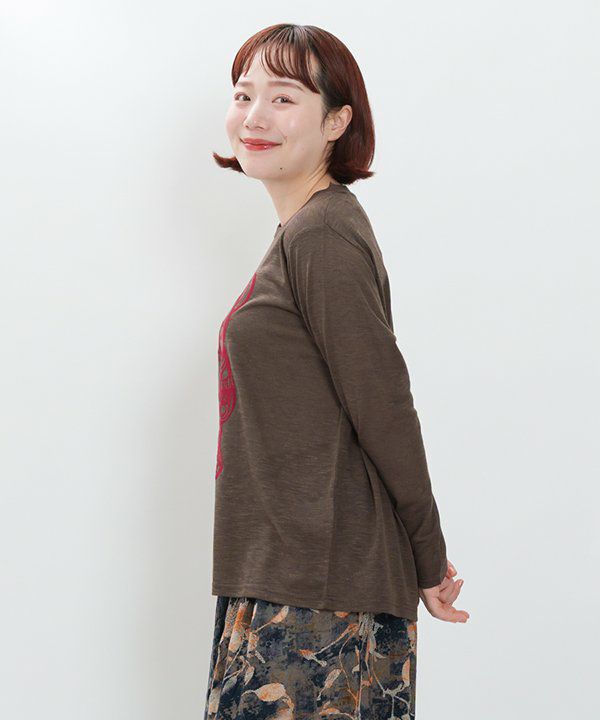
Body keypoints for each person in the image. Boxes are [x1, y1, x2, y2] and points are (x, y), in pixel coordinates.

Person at [205, 23, 469, 720]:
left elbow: (383, 403)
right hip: (289, 577)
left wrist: (429, 557)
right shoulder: (303, 233)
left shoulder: (323, 234)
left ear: (336, 122)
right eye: (244, 94)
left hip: (321, 595)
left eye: (283, 98)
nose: (254, 116)